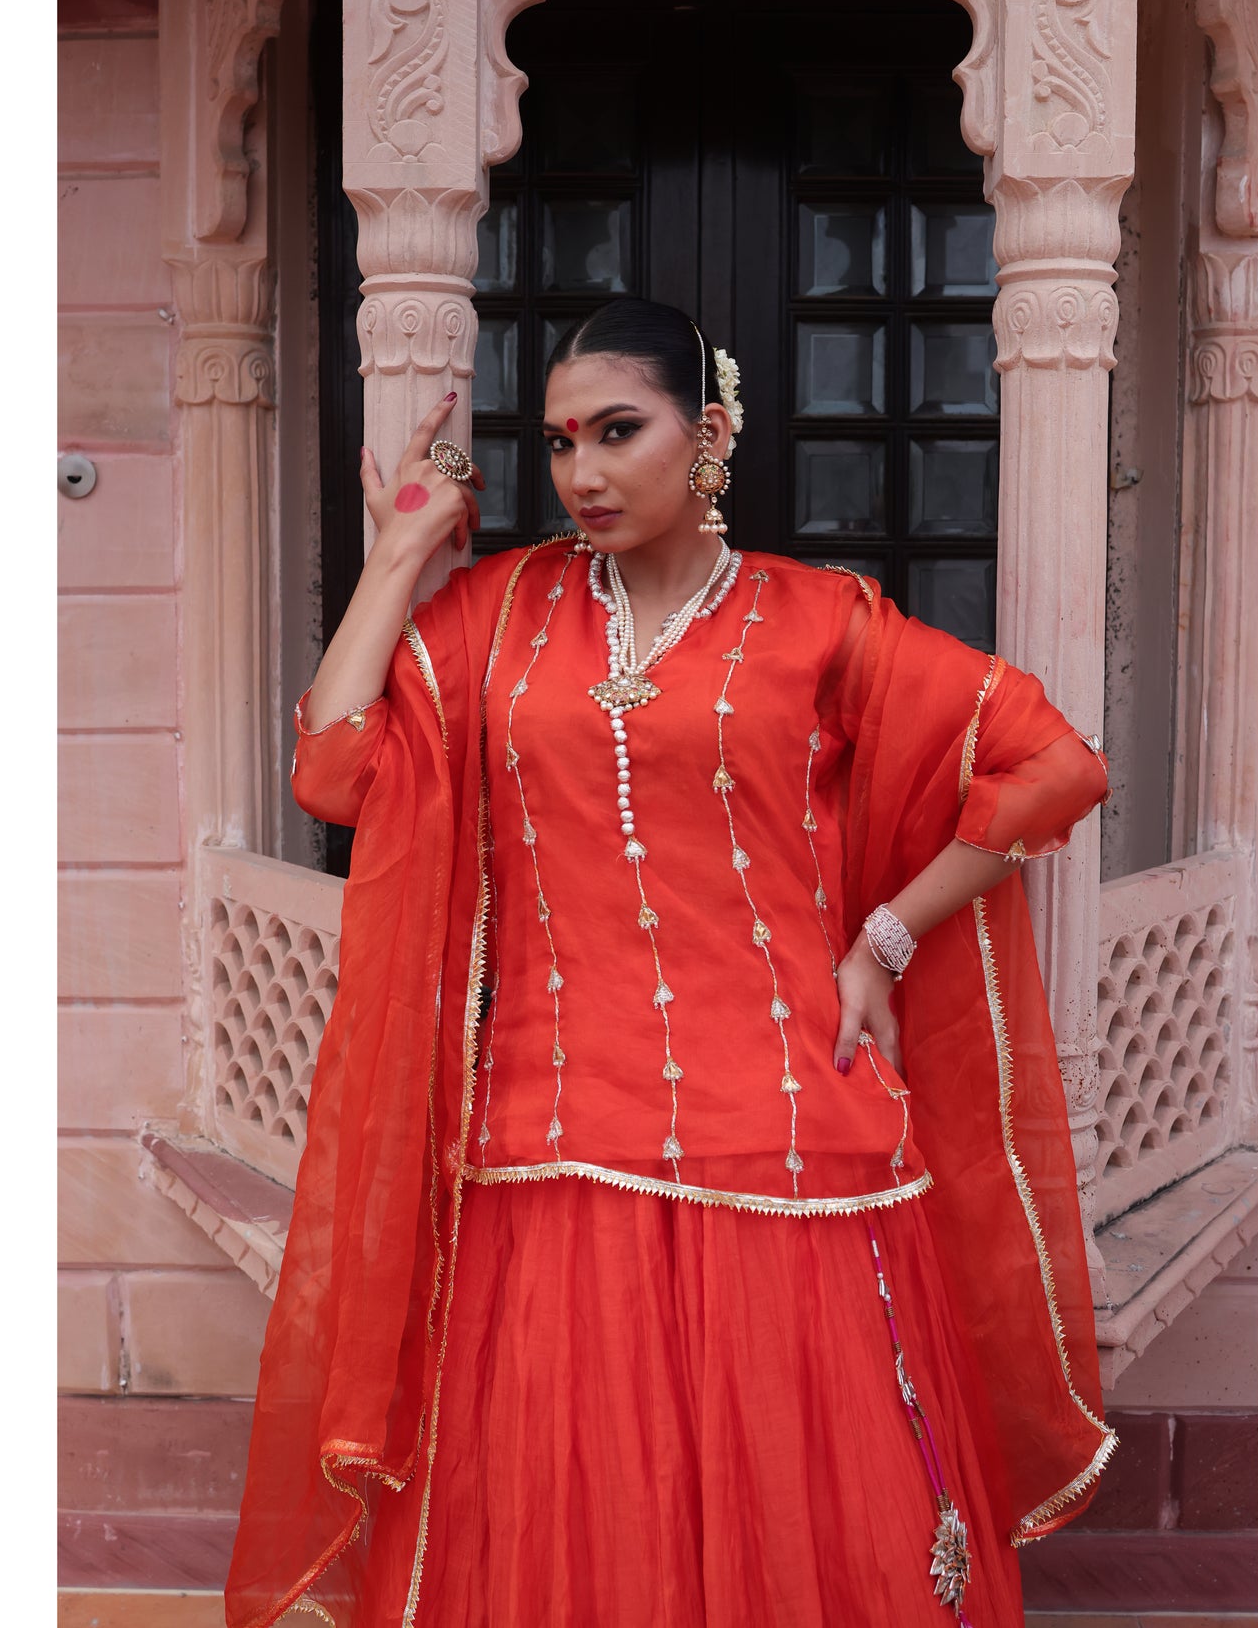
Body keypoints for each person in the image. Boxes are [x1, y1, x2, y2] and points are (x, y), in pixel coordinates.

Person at [226, 297, 1116, 1628]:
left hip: (783, 1128)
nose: (582, 471)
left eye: (617, 432)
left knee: (792, 1495)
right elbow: (334, 769)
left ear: (705, 435)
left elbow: (1052, 764)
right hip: (549, 1132)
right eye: (560, 441)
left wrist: (884, 936)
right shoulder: (491, 616)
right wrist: (402, 551)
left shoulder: (821, 623)